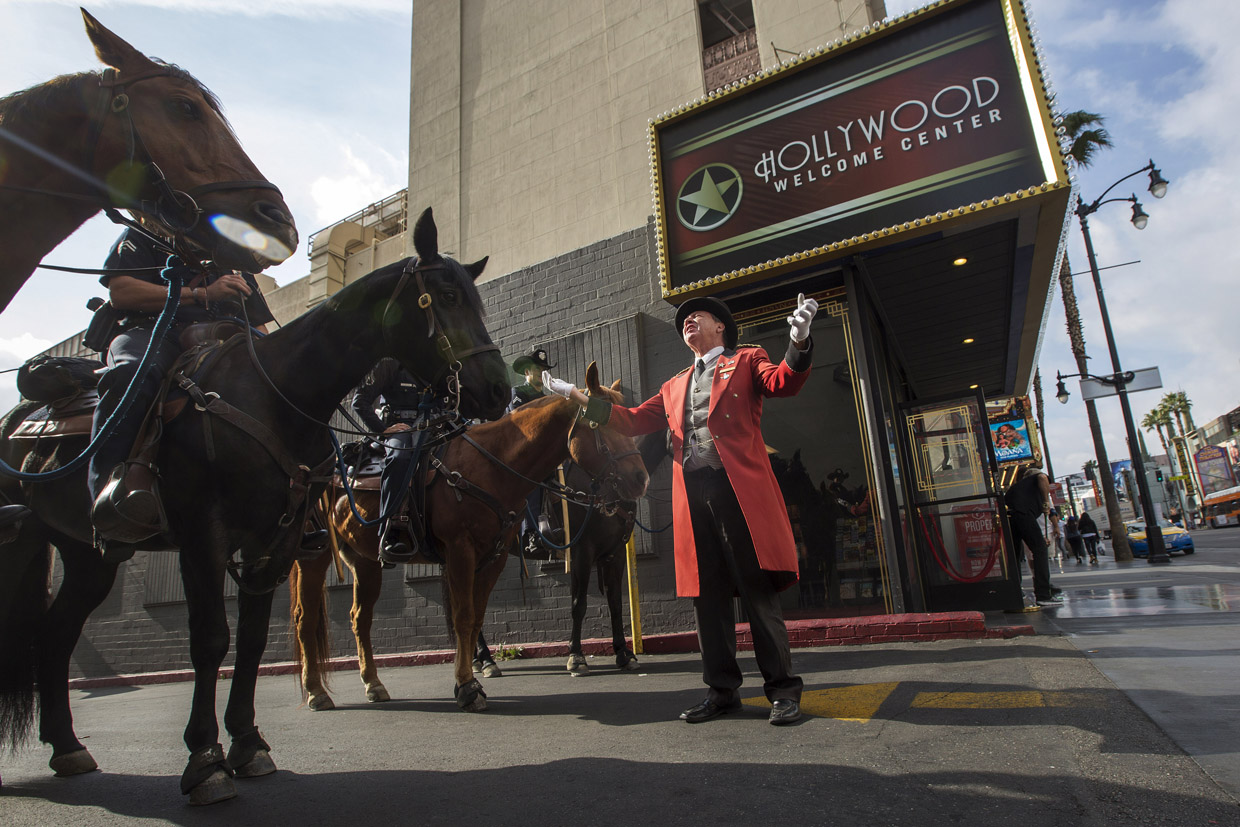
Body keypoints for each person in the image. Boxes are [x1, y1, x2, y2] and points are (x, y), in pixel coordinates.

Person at [542, 292, 819, 726]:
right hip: (694, 497)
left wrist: (798, 341)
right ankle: (722, 692)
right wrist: (576, 395)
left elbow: (785, 381)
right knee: (706, 599)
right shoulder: (674, 385)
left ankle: (782, 690)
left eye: (698, 316)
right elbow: (630, 419)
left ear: (720, 327)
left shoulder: (746, 360)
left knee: (755, 592)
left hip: (737, 494)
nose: (688, 322)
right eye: (684, 320)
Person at [88, 226, 273, 547]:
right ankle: (108, 503)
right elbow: (121, 292)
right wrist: (204, 294)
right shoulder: (144, 235)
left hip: (221, 342)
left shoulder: (233, 260)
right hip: (153, 330)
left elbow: (259, 325)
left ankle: (295, 507)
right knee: (131, 373)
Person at [350, 358, 432, 568]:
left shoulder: (432, 366)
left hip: (431, 426)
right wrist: (382, 429)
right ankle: (391, 530)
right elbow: (360, 402)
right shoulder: (390, 364)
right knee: (399, 457)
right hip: (399, 428)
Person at [507, 348, 560, 555]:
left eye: (543, 369)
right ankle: (531, 533)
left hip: (545, 453)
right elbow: (520, 422)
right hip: (521, 453)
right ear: (526, 372)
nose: (541, 373)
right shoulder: (518, 393)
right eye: (537, 369)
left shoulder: (549, 398)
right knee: (532, 476)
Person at [1004, 464, 1063, 607]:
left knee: (1015, 554)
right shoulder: (1038, 478)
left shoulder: (1018, 488)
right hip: (1023, 514)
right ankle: (1043, 594)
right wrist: (1046, 502)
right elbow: (1042, 477)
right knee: (1040, 549)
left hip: (1010, 516)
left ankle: (1015, 591)